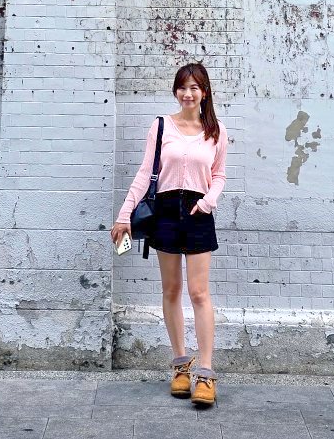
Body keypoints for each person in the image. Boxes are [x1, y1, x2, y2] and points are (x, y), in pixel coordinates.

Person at [110, 62, 228, 409]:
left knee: (199, 292)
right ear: (176, 91)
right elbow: (145, 173)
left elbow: (219, 175)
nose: (187, 94)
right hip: (164, 211)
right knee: (172, 289)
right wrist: (124, 215)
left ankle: (206, 373)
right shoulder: (161, 127)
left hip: (197, 213)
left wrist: (209, 201)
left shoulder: (216, 132)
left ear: (204, 92)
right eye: (182, 87)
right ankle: (180, 366)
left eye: (194, 87)